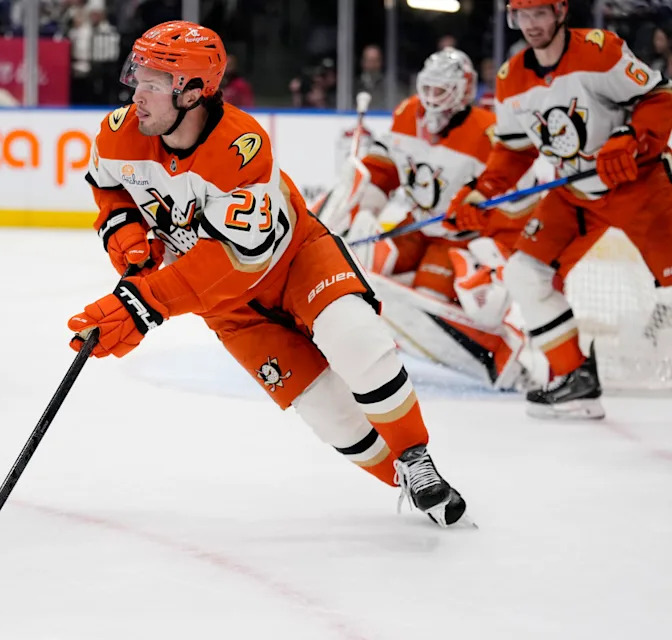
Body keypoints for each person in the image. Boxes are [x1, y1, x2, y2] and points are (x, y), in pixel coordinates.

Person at [68, 21, 468, 527]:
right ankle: (402, 481)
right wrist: (128, 243)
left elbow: (233, 259)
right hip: (229, 309)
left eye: (152, 83)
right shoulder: (120, 133)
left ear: (193, 90)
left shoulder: (241, 146)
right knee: (328, 412)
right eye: (136, 77)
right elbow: (109, 188)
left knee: (355, 340)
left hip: (294, 261)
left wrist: (144, 303)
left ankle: (415, 457)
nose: (136, 95)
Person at [445, 0, 672, 419]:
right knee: (523, 272)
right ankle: (576, 379)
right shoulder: (511, 78)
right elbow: (513, 152)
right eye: (522, 16)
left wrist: (630, 137)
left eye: (540, 14)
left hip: (638, 183)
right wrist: (480, 192)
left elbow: (659, 97)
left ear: (561, 11)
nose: (531, 25)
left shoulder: (600, 50)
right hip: (574, 194)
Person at [318, 48, 537, 391]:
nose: (432, 98)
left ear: (463, 91)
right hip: (413, 225)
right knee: (356, 263)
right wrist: (367, 211)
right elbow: (385, 167)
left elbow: (509, 194)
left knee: (419, 304)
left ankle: (496, 352)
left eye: (442, 90)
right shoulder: (407, 112)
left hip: (454, 239)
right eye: (429, 88)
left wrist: (487, 227)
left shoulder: (487, 132)